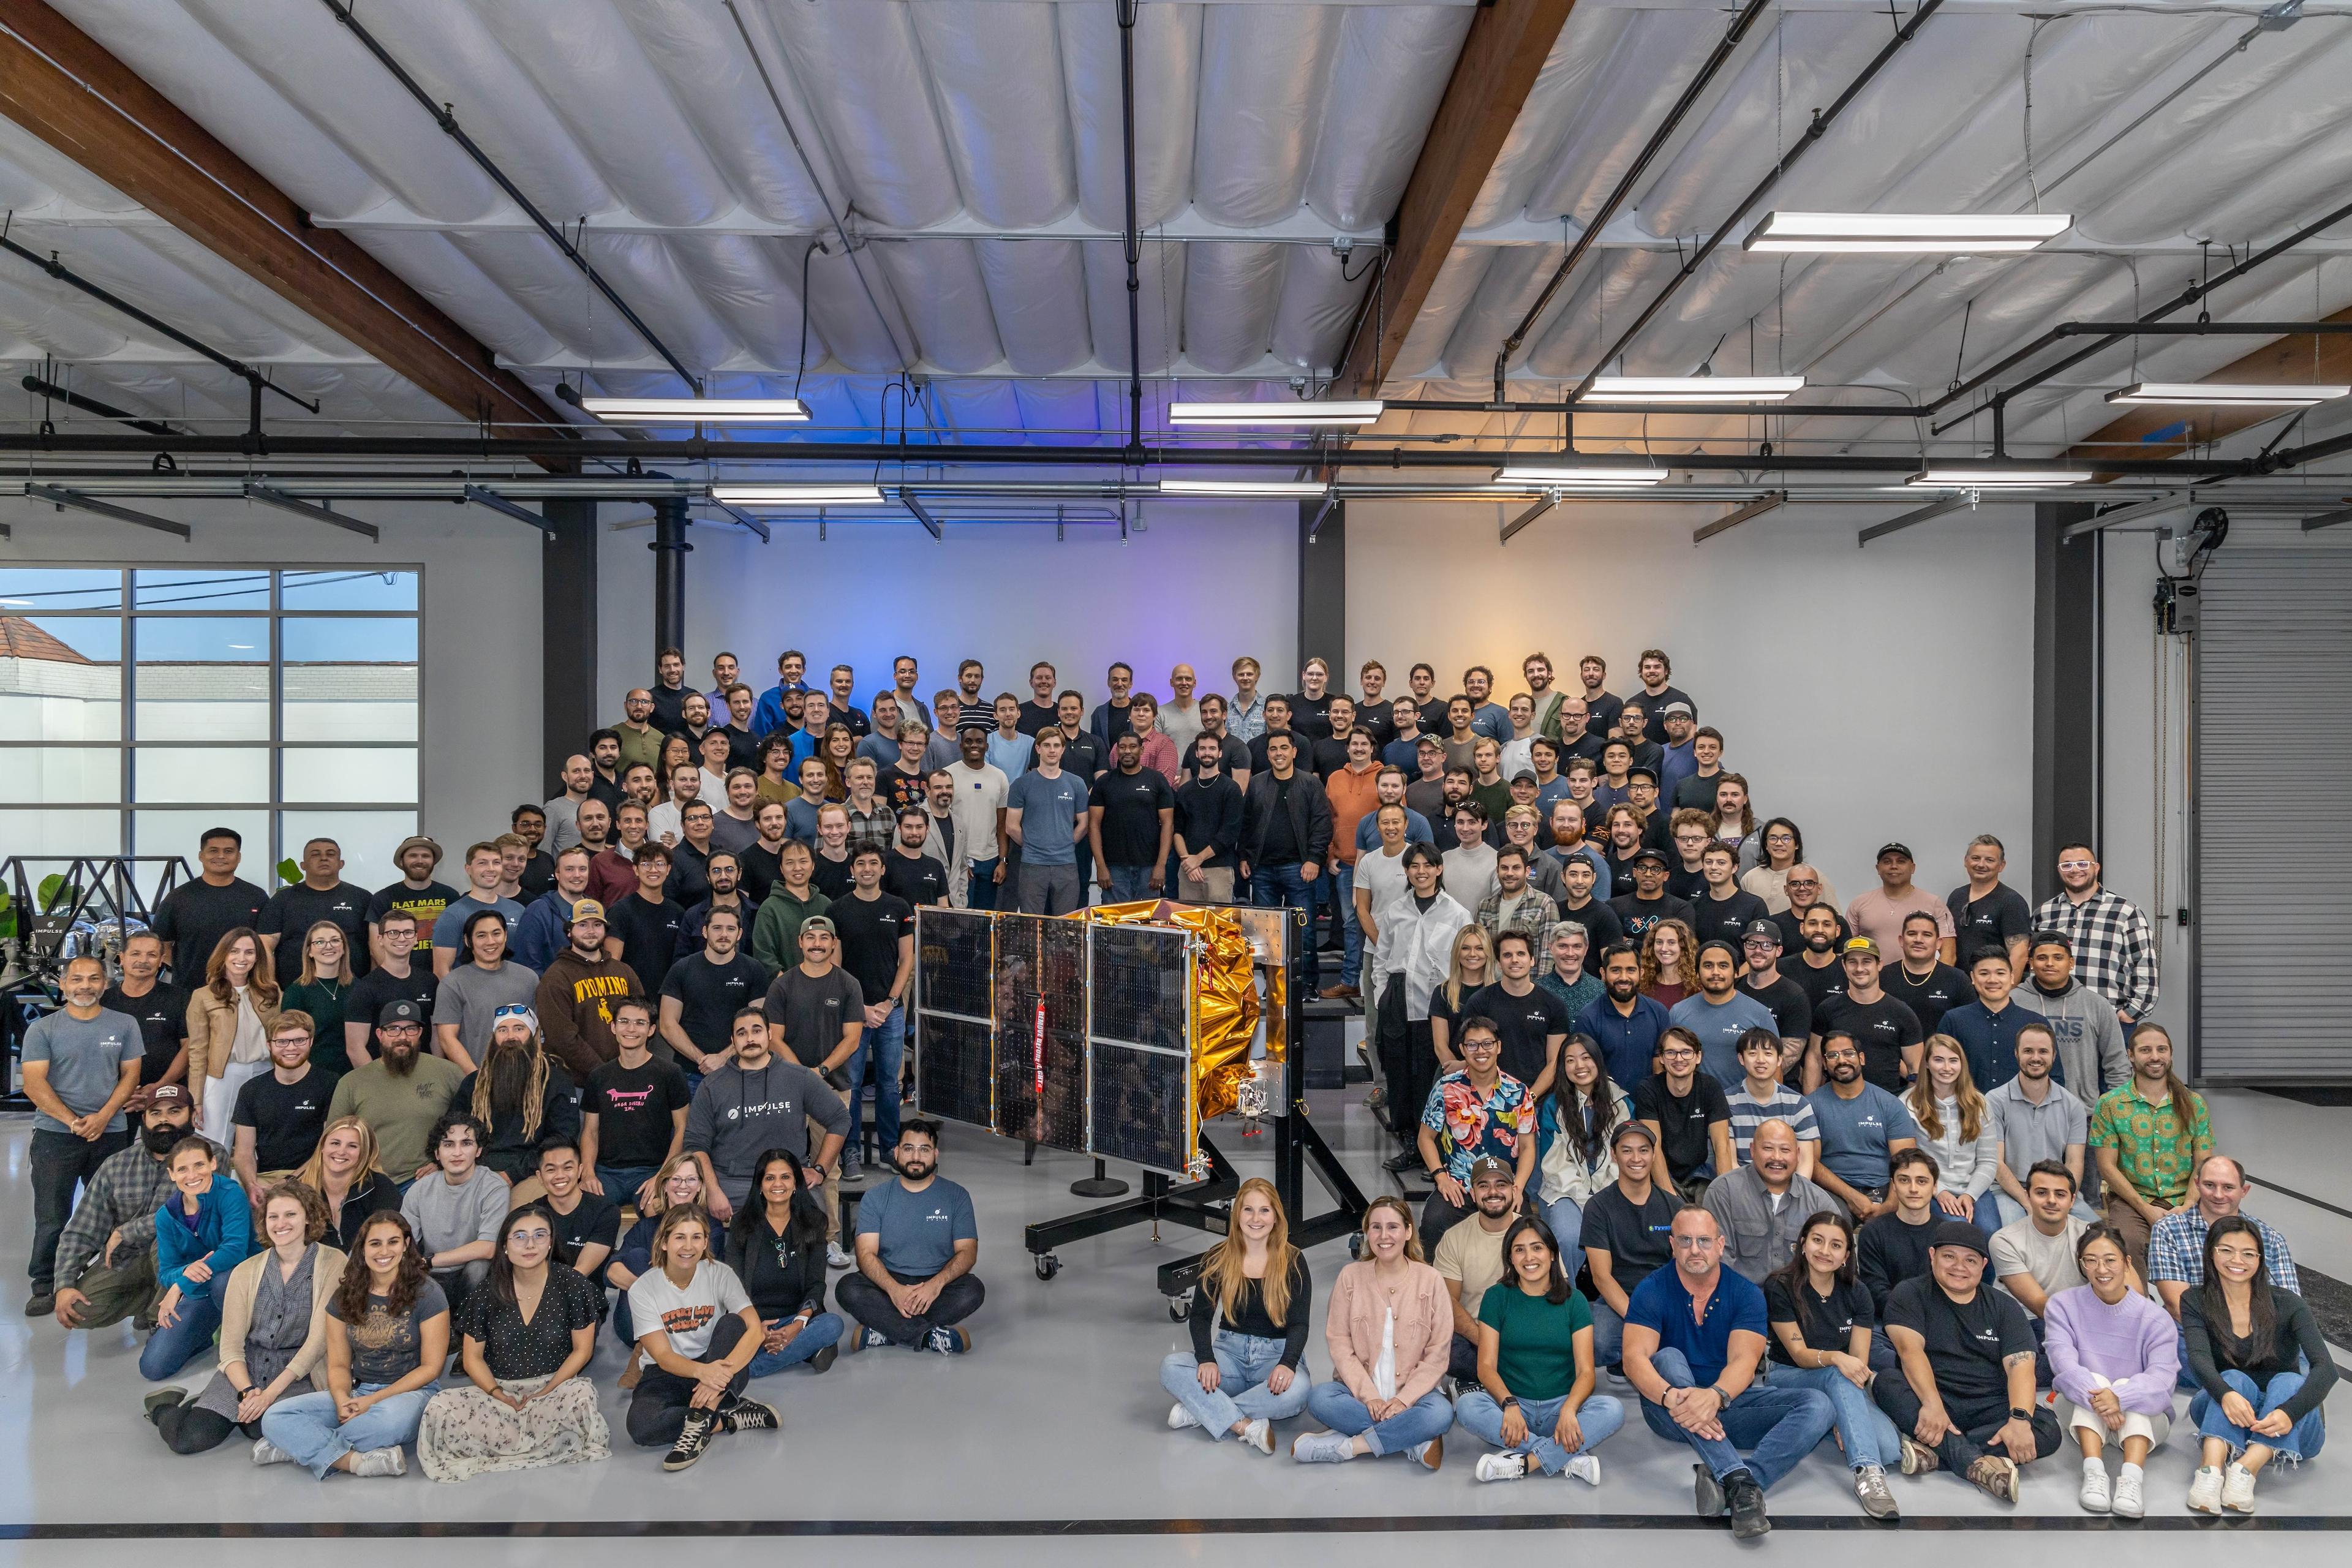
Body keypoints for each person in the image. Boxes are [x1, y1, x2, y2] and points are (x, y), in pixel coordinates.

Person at [1623, 1206, 1834, 1539]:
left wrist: (1715, 1396)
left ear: (1721, 1245)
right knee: (1668, 1356)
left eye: (1704, 1240)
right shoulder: (1651, 1290)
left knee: (1819, 1405)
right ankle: (1737, 1479)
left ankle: (1742, 1484)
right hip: (1668, 1408)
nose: (1695, 1249)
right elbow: (1634, 1359)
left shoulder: (1747, 1294)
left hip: (1726, 1402)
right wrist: (1674, 1396)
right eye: (1686, 1240)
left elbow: (1744, 1363)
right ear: (1672, 1244)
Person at [145, 1182, 344, 1456]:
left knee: (259, 1428)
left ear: (308, 1217)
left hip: (298, 1373)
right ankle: (163, 1406)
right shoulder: (246, 1271)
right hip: (245, 1372)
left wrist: (269, 1395)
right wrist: (248, 1392)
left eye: (291, 1215)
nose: (280, 1224)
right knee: (188, 1441)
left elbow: (317, 1344)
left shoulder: (333, 1263)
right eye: (273, 1216)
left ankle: (211, 1403)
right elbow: (230, 1347)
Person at [416, 1205, 608, 1482]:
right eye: (519, 1236)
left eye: (539, 1235)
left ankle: (508, 1443)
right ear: (504, 1246)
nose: (530, 1244)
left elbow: (583, 1351)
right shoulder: (486, 1291)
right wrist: (497, 1394)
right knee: (441, 1406)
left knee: (581, 1396)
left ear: (551, 1242)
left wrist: (547, 1391)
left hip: (555, 1389)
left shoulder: (573, 1284)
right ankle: (533, 1442)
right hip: (501, 1393)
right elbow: (472, 1359)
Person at [1874, 1220, 2060, 1500]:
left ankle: (1937, 1451)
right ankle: (1977, 1463)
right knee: (1886, 1383)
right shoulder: (1909, 1294)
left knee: (2047, 1429)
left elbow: (2022, 1368)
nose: (1959, 1267)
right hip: (1933, 1397)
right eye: (1949, 1256)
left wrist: (2019, 1420)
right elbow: (1910, 1352)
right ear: (1932, 1256)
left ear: (1984, 1265)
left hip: (1989, 1403)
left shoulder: (2004, 1307)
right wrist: (1933, 1404)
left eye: (1970, 1260)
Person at [256, 1210, 447, 1479]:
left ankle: (296, 1447)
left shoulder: (428, 1293)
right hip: (360, 1391)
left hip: (412, 1394)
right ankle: (353, 1461)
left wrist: (374, 1400)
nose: (384, 1251)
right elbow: (338, 1364)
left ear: (406, 1246)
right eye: (375, 1243)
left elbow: (431, 1367)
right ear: (363, 1249)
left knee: (387, 1423)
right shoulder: (344, 1296)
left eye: (393, 1242)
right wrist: (342, 1399)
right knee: (276, 1416)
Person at [1457, 1215, 1626, 1485]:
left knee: (1613, 1409)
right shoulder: (1496, 1297)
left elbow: (1586, 1372)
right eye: (1519, 1249)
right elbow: (1486, 1366)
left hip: (1562, 1407)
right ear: (1510, 1258)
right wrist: (1509, 1404)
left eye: (1537, 1248)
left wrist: (1570, 1410)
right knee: (1467, 1406)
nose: (1529, 1257)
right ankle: (1565, 1456)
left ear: (1552, 1254)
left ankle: (1526, 1462)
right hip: (1513, 1408)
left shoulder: (1575, 1300)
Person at [2182, 1215, 2335, 1513]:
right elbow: (2199, 1361)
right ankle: (2209, 1474)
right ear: (2211, 1252)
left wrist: (2290, 1412)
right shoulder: (2195, 1300)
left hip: (2292, 1422)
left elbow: (2325, 1369)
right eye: (2226, 1250)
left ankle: (2245, 1471)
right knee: (2232, 1378)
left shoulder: (2288, 1303)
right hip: (2228, 1408)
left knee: (2289, 1382)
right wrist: (2226, 1394)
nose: (2237, 1260)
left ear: (2260, 1259)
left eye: (2248, 1253)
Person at [1760, 1211, 1904, 1518]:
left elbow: (1860, 1364)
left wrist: (1843, 1407)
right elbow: (1800, 1355)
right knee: (1839, 1376)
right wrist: (1836, 1357)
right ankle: (1867, 1474)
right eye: (1817, 1240)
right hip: (1789, 1375)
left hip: (1840, 1381)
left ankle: (1835, 1419)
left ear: (1847, 1255)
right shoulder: (1779, 1286)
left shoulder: (1858, 1293)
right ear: (1802, 1244)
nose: (1825, 1251)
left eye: (1836, 1245)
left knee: (1890, 1450)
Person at [1289, 1197, 1452, 1469]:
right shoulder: (1350, 1276)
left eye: (1393, 1227)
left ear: (1408, 1231)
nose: (1384, 1236)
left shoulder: (1431, 1279)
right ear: (1366, 1233)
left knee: (1442, 1413)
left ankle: (1351, 1446)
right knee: (1319, 1399)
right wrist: (1370, 1396)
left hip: (1415, 1397)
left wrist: (1403, 1399)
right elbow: (1340, 1344)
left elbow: (1438, 1353)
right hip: (1360, 1397)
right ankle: (1411, 1440)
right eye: (1376, 1228)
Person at [21, 954, 143, 1316]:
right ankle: (45, 1282)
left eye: (93, 979)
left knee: (113, 1211)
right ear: (63, 984)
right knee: (52, 1214)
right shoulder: (43, 1029)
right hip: (55, 1135)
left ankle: (114, 1278)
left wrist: (104, 1117)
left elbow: (131, 1076)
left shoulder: (124, 1024)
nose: (85, 986)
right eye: (77, 980)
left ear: (105, 985)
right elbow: (33, 1083)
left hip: (110, 1132)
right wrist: (74, 1122)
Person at [1160, 1177, 1313, 1454]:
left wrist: (1288, 1363)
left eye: (1265, 1210)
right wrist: (1206, 1359)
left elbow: (1300, 1323)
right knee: (1171, 1367)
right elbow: (1201, 1318)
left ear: (1276, 1217)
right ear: (1237, 1215)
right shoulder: (1217, 1257)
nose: (1256, 1218)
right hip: (1228, 1354)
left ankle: (1203, 1411)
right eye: (1248, 1210)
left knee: (1299, 1391)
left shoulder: (1293, 1260)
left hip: (1274, 1358)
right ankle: (1243, 1425)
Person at [624, 1204, 778, 1470]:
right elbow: (663, 1356)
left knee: (734, 1324)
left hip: (719, 1364)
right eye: (680, 1237)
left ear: (706, 1241)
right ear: (664, 1243)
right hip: (667, 1371)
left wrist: (715, 1381)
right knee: (640, 1426)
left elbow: (754, 1330)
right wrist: (704, 1374)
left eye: (697, 1237)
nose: (688, 1246)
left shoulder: (720, 1273)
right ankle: (724, 1419)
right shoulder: (643, 1289)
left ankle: (698, 1423)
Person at [2045, 1223, 2176, 1517]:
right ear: (2082, 1265)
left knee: (2130, 1383)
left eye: (2110, 1259)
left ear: (2127, 1263)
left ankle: (2131, 1479)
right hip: (2081, 1408)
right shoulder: (2063, 1306)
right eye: (2090, 1260)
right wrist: (2105, 1397)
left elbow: (2163, 1381)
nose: (2101, 1268)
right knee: (2096, 1379)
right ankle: (2094, 1473)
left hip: (2146, 1418)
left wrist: (2121, 1397)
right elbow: (2063, 1364)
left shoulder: (2155, 1318)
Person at [48, 1082, 195, 1331]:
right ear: (144, 1118)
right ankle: (150, 1300)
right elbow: (83, 1227)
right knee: (80, 1310)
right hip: (128, 1257)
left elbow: (186, 1212)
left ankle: (161, 1318)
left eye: (174, 1112)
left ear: (191, 1115)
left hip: (181, 1256)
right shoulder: (116, 1165)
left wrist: (126, 1231)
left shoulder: (209, 1156)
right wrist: (63, 1284)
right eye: (156, 1113)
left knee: (168, 1235)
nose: (164, 1120)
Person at [838, 1120, 983, 1354]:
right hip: (888, 1281)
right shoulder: (876, 1198)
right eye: (908, 1148)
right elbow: (865, 1255)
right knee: (848, 1288)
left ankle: (884, 1330)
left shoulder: (957, 1196)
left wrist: (935, 1286)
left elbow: (968, 1253)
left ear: (935, 1154)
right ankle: (928, 1337)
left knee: (973, 1290)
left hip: (938, 1282)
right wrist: (895, 1290)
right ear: (896, 1153)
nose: (916, 1156)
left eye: (924, 1149)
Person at [1366, 845, 1472, 1154]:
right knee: (1399, 1074)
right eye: (1414, 866)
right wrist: (1382, 997)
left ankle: (1435, 1147)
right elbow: (1382, 957)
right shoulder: (1396, 910)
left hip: (1437, 1004)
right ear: (1407, 872)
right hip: (1398, 999)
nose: (1421, 871)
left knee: (1430, 1075)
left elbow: (1464, 960)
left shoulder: (1457, 912)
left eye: (1428, 865)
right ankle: (1408, 1143)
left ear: (1439, 869)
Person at [2089, 1023, 2211, 1275]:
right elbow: (2107, 1167)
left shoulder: (2194, 1103)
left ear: (2171, 1054)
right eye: (2146, 1050)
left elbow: (2203, 1164)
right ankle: (2139, 1310)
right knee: (2126, 1246)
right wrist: (2145, 1209)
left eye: (2161, 1049)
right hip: (2131, 1200)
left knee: (2211, 1245)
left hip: (2184, 1198)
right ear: (2131, 1055)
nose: (2155, 1056)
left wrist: (2188, 1205)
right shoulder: (2110, 1104)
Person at [142, 1135, 254, 1380]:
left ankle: (255, 1341)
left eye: (199, 1165)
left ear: (213, 1164)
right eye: (182, 1169)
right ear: (171, 1174)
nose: (192, 1176)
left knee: (222, 1280)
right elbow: (166, 1271)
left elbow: (235, 1250)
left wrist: (180, 1285)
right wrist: (184, 1273)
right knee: (153, 1367)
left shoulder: (230, 1193)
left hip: (242, 1283)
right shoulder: (166, 1216)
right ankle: (200, 1336)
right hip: (201, 1291)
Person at [1416, 1019, 1536, 1245]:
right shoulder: (1445, 1088)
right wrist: (1441, 1178)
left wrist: (1517, 1187)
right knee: (1433, 1224)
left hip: (1505, 1188)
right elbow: (1425, 1138)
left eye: (1487, 1044)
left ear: (1499, 1047)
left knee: (1527, 1235)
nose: (1481, 1051)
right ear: (1462, 1050)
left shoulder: (1519, 1092)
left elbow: (1528, 1146)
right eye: (1472, 1045)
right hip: (1458, 1187)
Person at [729, 1149, 845, 1378]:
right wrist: (756, 1329)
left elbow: (816, 1284)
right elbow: (733, 1285)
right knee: (725, 1332)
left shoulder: (813, 1223)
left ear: (796, 1184)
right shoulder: (742, 1223)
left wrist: (797, 1325)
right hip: (753, 1318)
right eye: (770, 1178)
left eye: (785, 1177)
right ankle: (805, 1350)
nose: (777, 1184)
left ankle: (751, 1369)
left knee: (833, 1324)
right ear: (760, 1185)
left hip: (796, 1316)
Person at [326, 1000, 463, 1188]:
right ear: (380, 1035)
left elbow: (471, 1126)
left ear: (420, 1033)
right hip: (368, 1182)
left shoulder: (448, 1073)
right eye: (394, 1029)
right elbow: (332, 1141)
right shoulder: (352, 1082)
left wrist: (443, 1162)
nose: (402, 1037)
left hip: (427, 1181)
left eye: (411, 1029)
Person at [2148, 1153, 2298, 1321]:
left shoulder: (2271, 1239)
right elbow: (2178, 1306)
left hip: (2258, 1334)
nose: (2218, 1195)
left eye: (2228, 1187)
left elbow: (2290, 1307)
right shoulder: (2168, 1229)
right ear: (2197, 1184)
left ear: (2244, 1191)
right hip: (2193, 1332)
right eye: (2209, 1185)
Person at [607, 1153, 726, 1355]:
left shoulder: (711, 1229)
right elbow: (612, 1272)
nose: (683, 1186)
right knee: (636, 1256)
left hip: (689, 1317)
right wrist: (652, 1294)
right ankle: (664, 1350)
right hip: (642, 1322)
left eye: (691, 1179)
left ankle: (655, 1352)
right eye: (676, 1179)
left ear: (699, 1186)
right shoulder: (647, 1226)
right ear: (664, 1185)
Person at [2033, 844, 2159, 1036]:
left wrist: (2131, 1013)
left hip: (2109, 1022)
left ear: (2096, 867)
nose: (2075, 870)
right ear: (2059, 871)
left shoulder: (2125, 911)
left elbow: (2144, 965)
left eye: (2083, 864)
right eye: (2067, 865)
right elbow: (2030, 963)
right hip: (2052, 1021)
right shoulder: (2045, 912)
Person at [1242, 730, 1333, 993]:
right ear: (1267, 753)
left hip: (1300, 869)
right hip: (1262, 871)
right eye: (1273, 749)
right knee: (1266, 935)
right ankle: (1274, 989)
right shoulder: (1257, 784)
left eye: (1284, 748)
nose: (1279, 753)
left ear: (1294, 752)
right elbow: (1246, 825)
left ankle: (1306, 987)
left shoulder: (1310, 784)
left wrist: (1315, 859)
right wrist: (1245, 856)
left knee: (1303, 932)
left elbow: (1322, 824)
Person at [581, 998, 692, 1205]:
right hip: (607, 1173)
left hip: (652, 1170)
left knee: (657, 1209)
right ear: (613, 1027)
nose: (631, 1029)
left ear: (651, 1030)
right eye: (624, 1022)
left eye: (640, 1023)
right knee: (587, 1210)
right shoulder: (598, 1076)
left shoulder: (670, 1073)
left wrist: (662, 1176)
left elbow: (682, 1129)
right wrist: (587, 1173)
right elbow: (590, 1131)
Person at [398, 1113, 508, 1312]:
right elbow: (402, 1243)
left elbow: (488, 1247)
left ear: (479, 1150)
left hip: (470, 1273)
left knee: (479, 1266)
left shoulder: (494, 1187)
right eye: (449, 1144)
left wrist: (430, 1261)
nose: (457, 1152)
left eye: (466, 1143)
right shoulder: (419, 1190)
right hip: (429, 1274)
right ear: (437, 1153)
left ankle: (467, 1331)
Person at [1987, 1024, 2095, 1227]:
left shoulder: (2073, 1106)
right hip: (2008, 1190)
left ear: (2054, 1056)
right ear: (2016, 1054)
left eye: (2043, 1051)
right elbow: (1996, 1163)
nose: (2036, 1058)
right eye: (2028, 1051)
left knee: (2094, 1232)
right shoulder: (1995, 1101)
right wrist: (2028, 1201)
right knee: (2016, 1231)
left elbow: (2075, 1163)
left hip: (2055, 1188)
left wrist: (2062, 1197)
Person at [453, 1007, 580, 1180]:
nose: (510, 1036)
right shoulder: (474, 1083)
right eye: (502, 1030)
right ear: (494, 1038)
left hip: (534, 1172)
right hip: (476, 1171)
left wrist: (513, 1175)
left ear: (534, 1036)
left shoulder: (556, 1081)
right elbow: (452, 1129)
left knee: (524, 1206)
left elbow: (562, 1138)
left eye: (519, 1029)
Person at [1704, 1121, 1838, 1283]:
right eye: (1768, 1148)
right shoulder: (1724, 1192)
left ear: (1797, 1154)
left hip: (1799, 1300)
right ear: (1752, 1150)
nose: (1777, 1157)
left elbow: (1836, 1260)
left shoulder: (1818, 1202)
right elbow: (1719, 1259)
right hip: (1742, 1301)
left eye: (1785, 1150)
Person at [187, 929, 281, 1147]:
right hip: (222, 1077)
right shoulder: (203, 995)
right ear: (223, 955)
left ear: (257, 957)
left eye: (249, 952)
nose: (242, 958)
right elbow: (198, 1051)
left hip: (265, 1072)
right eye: (234, 951)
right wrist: (196, 1099)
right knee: (215, 1144)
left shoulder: (272, 992)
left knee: (261, 1143)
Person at [1535, 1035, 1632, 1243]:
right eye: (1570, 1060)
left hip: (1613, 1191)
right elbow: (1555, 1165)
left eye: (1586, 1057)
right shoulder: (1553, 1106)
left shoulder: (1621, 1103)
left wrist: (1604, 1197)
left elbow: (1625, 1157)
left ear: (1598, 1060)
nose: (1579, 1066)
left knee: (1622, 1234)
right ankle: (1569, 1278)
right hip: (1563, 1193)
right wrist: (1585, 1199)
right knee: (1569, 1236)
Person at [533, 899, 643, 1084]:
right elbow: (563, 1038)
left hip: (626, 1075)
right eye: (582, 925)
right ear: (569, 931)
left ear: (605, 930)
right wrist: (604, 1073)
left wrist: (629, 1066)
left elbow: (643, 1020)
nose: (591, 931)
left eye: (597, 924)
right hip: (578, 1083)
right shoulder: (556, 977)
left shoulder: (624, 971)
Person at [1433, 1157, 1522, 1381]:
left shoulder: (1534, 1236)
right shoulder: (1454, 1238)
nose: (1493, 1192)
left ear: (1514, 1190)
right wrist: (1486, 1340)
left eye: (1501, 1185)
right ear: (1472, 1194)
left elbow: (1555, 1293)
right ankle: (1505, 1377)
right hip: (1473, 1334)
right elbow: (1447, 1303)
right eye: (1484, 1186)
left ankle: (1490, 1379)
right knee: (1444, 1350)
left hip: (1522, 1334)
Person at [658, 907, 771, 1079]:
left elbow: (760, 1025)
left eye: (731, 929)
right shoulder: (682, 969)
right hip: (691, 1072)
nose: (724, 934)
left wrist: (723, 1058)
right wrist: (702, 1060)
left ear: (740, 934)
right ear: (705, 931)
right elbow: (667, 1024)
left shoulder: (754, 970)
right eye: (717, 928)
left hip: (741, 1071)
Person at [230, 1011, 332, 1196]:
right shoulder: (251, 1090)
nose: (291, 1048)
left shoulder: (330, 1084)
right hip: (265, 1178)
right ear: (269, 1045)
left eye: (299, 1040)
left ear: (311, 1041)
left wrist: (288, 1182)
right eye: (282, 1042)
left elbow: (329, 1149)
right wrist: (251, 1186)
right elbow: (244, 1152)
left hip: (314, 1177)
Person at [153, 826, 269, 986]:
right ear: (201, 855)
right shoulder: (179, 897)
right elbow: (160, 944)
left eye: (228, 851)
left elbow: (266, 945)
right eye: (214, 851)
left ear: (239, 856)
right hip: (190, 990)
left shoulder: (256, 896)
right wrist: (184, 968)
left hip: (244, 988)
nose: (221, 856)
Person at [2022, 932, 2128, 1108]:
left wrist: (2117, 1109)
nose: (2050, 963)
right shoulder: (2013, 1000)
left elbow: (2117, 1062)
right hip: (2023, 1110)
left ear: (2071, 963)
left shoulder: (2097, 1005)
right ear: (2031, 963)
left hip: (2082, 1111)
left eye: (2058, 958)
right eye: (2042, 958)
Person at [1903, 1036, 1999, 1229]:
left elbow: (1988, 1161)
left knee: (1991, 1232)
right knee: (1959, 1228)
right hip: (1930, 1189)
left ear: (1962, 1064)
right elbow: (1907, 1161)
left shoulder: (1980, 1104)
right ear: (1927, 1064)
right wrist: (1938, 1191)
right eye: (1939, 1060)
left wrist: (1970, 1195)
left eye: (1953, 1060)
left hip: (1974, 1189)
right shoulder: (1908, 1104)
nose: (1947, 1067)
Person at [1991, 1161, 2100, 1327]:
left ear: (2072, 1201)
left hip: (2082, 1320)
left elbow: (2131, 1289)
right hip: (2027, 1322)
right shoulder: (2005, 1241)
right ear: (2028, 1196)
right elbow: (2040, 1306)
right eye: (2041, 1193)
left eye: (2060, 1195)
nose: (2051, 1200)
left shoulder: (2090, 1235)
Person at [1809, 937, 1923, 1093]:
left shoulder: (1902, 1013)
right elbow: (1815, 1059)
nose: (1859, 968)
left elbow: (1916, 1068)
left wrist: (1905, 1105)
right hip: (1837, 1103)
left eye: (1867, 961)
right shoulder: (1828, 1009)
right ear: (1844, 965)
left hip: (1889, 1104)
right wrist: (1809, 1106)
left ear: (1879, 965)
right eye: (1853, 962)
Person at [430, 910, 535, 1075]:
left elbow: (537, 1033)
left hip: (524, 1078)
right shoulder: (453, 984)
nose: (491, 941)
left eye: (496, 933)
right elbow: (447, 1039)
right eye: (481, 936)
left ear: (506, 936)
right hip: (475, 1080)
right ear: (467, 941)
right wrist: (477, 1078)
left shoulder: (529, 978)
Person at [1634, 1028, 1732, 1200]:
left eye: (1686, 1052)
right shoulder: (1649, 1089)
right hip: (1661, 1175)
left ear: (1698, 1057)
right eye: (1671, 1052)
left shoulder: (1710, 1087)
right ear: (1662, 1058)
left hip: (1701, 1174)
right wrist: (1670, 1198)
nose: (1679, 1059)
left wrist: (1725, 1195)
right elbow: (1653, 1145)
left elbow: (1722, 1146)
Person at [1669, 941, 1779, 1088]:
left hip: (1744, 1106)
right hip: (1693, 1105)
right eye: (1708, 966)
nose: (1716, 972)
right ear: (1697, 972)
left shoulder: (1759, 1014)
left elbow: (1775, 1068)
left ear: (1736, 972)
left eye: (1723, 966)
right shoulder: (1678, 1012)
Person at [1006, 726, 1090, 914]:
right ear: (1038, 749)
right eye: (1046, 745)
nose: (1052, 750)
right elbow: (1011, 827)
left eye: (1056, 746)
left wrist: (1066, 843)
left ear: (1063, 749)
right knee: (1031, 925)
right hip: (1032, 866)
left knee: (1066, 925)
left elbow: (1084, 825)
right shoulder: (1021, 785)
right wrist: (1033, 846)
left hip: (1066, 865)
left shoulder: (1077, 784)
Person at [344, 908, 439, 1072]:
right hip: (383, 1077)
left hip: (424, 1075)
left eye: (408, 932)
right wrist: (379, 1083)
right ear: (380, 939)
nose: (401, 938)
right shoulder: (364, 988)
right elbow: (355, 1048)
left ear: (416, 938)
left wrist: (435, 1073)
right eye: (393, 933)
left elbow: (436, 1037)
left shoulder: (430, 982)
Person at [1858, 1148, 1945, 1320]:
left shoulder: (1947, 1234)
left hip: (1939, 1320)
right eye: (1904, 1180)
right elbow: (1876, 1291)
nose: (1913, 1189)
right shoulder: (1873, 1232)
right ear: (1894, 1185)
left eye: (1922, 1181)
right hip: (1888, 1319)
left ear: (1935, 1187)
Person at [103, 930, 191, 1095]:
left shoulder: (179, 998)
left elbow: (189, 1047)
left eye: (151, 955)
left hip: (166, 1096)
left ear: (160, 961)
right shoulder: (104, 1002)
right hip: (110, 1097)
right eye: (135, 954)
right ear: (122, 958)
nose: (143, 960)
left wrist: (161, 1086)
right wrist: (120, 1094)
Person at [295, 1115, 401, 1251]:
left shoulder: (380, 1187)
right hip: (317, 1270)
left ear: (365, 1153)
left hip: (369, 1268)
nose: (341, 1152)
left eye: (352, 1146)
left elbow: (390, 1244)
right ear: (322, 1147)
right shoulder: (300, 1191)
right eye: (335, 1143)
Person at [1575, 941, 1670, 1091]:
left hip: (1649, 1107)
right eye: (1616, 970)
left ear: (1641, 973)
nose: (1624, 977)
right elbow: (1585, 1072)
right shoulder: (1588, 1018)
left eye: (1631, 970)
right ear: (1603, 974)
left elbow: (1661, 1067)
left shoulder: (1658, 1012)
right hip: (1605, 1106)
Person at [1939, 949, 2040, 1090]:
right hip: (1966, 1108)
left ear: (2012, 977)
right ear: (1973, 978)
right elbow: (1939, 1071)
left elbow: (2053, 1077)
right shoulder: (1954, 1020)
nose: (1993, 980)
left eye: (2000, 973)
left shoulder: (2035, 1024)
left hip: (2023, 1109)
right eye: (1984, 973)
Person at [1724, 1027, 1818, 1176]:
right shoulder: (1725, 1103)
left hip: (1789, 1190)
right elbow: (1729, 1162)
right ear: (1741, 1059)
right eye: (1753, 1054)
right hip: (1742, 1190)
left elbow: (1805, 1163)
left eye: (1768, 1054)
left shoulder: (1799, 1104)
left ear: (1779, 1059)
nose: (1761, 1060)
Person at [280, 922, 357, 1093]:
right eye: (320, 942)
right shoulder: (296, 992)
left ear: (344, 948)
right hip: (313, 1079)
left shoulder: (359, 988)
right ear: (309, 951)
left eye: (335, 941)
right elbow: (290, 1045)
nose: (328, 946)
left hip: (354, 1077)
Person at [1948, 834, 2034, 974]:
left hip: (1993, 987)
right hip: (1960, 987)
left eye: (1990, 860)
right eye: (1976, 858)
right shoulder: (1956, 896)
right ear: (1966, 861)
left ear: (2001, 866)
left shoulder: (2011, 902)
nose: (1981, 865)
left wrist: (2006, 991)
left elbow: (2019, 955)